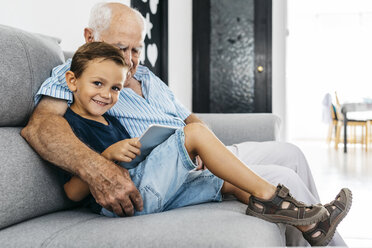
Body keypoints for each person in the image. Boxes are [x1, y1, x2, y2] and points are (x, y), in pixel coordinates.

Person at [20, 2, 346, 246]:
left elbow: (188, 117)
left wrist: (208, 146)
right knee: (281, 176)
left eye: (136, 49)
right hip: (167, 167)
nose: (131, 60)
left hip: (199, 154)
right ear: (90, 37)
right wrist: (98, 165)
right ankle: (307, 220)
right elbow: (42, 125)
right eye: (121, 48)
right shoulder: (81, 75)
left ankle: (321, 227)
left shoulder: (144, 76)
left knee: (291, 153)